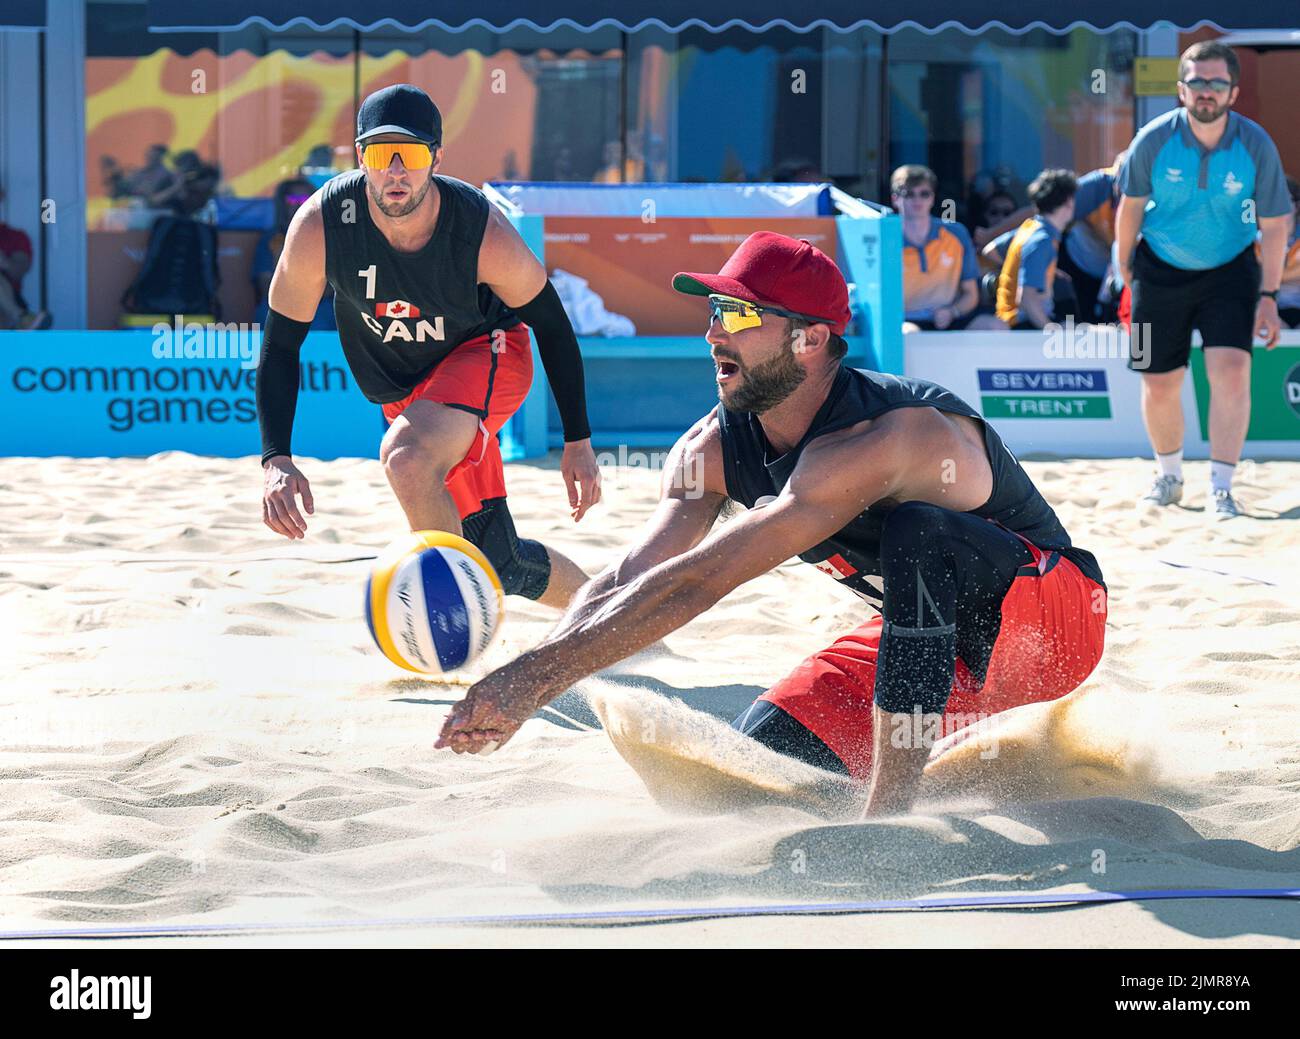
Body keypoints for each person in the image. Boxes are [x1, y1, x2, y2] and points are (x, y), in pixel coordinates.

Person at [437, 232, 1107, 818]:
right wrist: (528, 676)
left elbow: (701, 582)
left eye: (735, 312)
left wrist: (533, 678)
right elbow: (628, 577)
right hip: (928, 642)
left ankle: (890, 822)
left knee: (917, 530)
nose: (712, 332)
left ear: (811, 338)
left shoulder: (885, 434)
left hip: (1051, 619)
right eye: (712, 311)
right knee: (753, 767)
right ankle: (937, 762)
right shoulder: (711, 448)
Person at [257, 83, 601, 611]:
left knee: (406, 457)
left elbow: (553, 327)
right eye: (379, 154)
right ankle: (616, 622)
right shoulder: (323, 224)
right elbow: (281, 346)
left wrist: (577, 441)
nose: (396, 170)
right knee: (497, 558)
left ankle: (452, 627)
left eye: (412, 154)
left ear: (436, 158)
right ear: (359, 158)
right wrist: (276, 457)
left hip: (487, 354)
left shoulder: (479, 230)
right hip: (409, 391)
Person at [1116, 40, 1290, 520]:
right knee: (1158, 381)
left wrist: (1270, 296)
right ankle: (1169, 476)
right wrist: (1125, 268)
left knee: (1232, 373)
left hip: (1231, 271)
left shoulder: (1255, 145)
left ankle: (1221, 487)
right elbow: (1128, 209)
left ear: (1233, 92)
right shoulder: (1152, 140)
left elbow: (1276, 224)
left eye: (1216, 83)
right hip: (1157, 267)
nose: (1206, 92)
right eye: (1197, 82)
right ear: (1181, 89)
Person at [891, 164, 1004, 332]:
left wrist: (952, 311)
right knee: (910, 333)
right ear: (895, 199)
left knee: (995, 327)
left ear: (932, 198)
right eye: (909, 194)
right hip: (905, 320)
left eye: (924, 193)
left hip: (949, 316)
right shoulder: (886, 238)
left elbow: (970, 294)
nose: (917, 200)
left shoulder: (956, 234)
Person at [987, 169, 1078, 330]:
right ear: (1068, 203)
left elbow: (990, 250)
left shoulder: (1029, 227)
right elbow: (1027, 301)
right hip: (1023, 327)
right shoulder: (1042, 241)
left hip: (1018, 322)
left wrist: (1026, 268)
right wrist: (1054, 333)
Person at [252, 177, 335, 328]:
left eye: (304, 199)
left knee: (328, 312)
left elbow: (333, 287)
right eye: (292, 199)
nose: (298, 204)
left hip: (319, 307)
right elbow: (265, 284)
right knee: (266, 311)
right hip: (280, 305)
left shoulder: (329, 238)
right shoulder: (270, 240)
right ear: (283, 204)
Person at [1059, 155, 1125, 323]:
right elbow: (1046, 213)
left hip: (1115, 268)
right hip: (1077, 264)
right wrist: (991, 235)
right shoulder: (1097, 186)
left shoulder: (1151, 196)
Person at [0, 182, 50, 330]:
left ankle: (21, 318)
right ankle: (22, 318)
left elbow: (19, 271)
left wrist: (4, 262)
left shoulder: (15, 237)